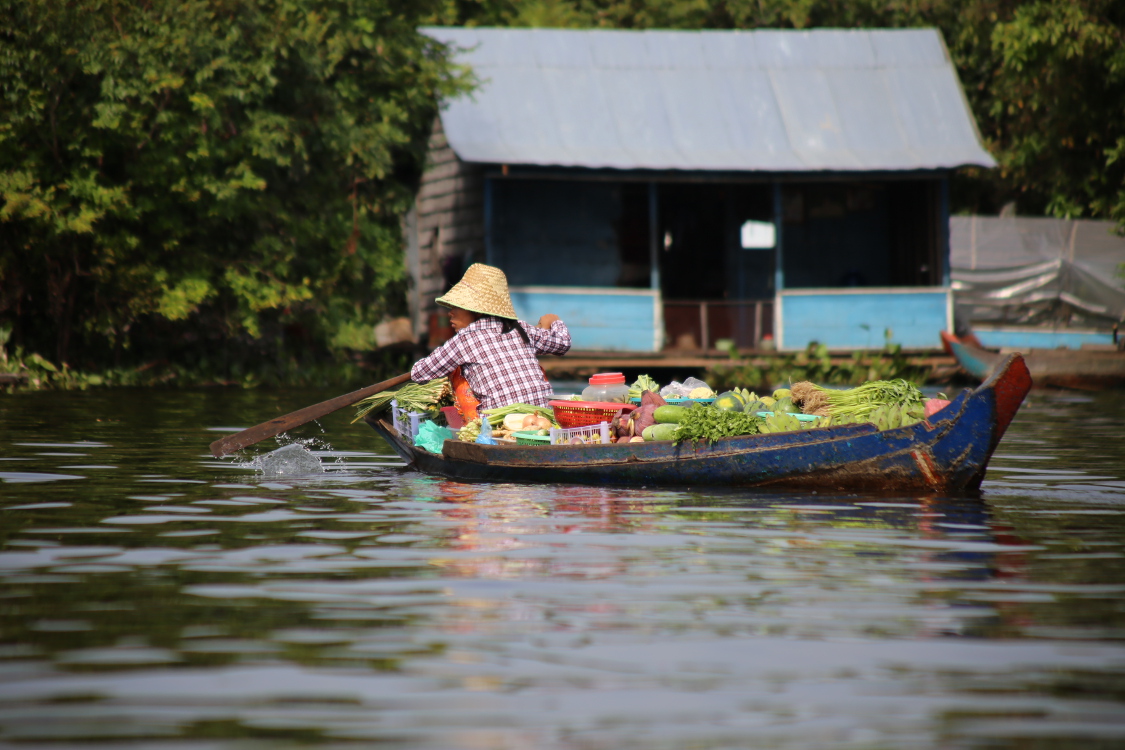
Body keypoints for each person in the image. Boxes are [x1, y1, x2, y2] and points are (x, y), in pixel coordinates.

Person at [410, 263, 571, 421]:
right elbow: (563, 343)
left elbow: (419, 373)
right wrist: (555, 321)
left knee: (457, 371)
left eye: (456, 306)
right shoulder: (521, 329)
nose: (450, 313)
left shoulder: (464, 340)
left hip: (500, 424)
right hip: (544, 419)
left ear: (477, 311)